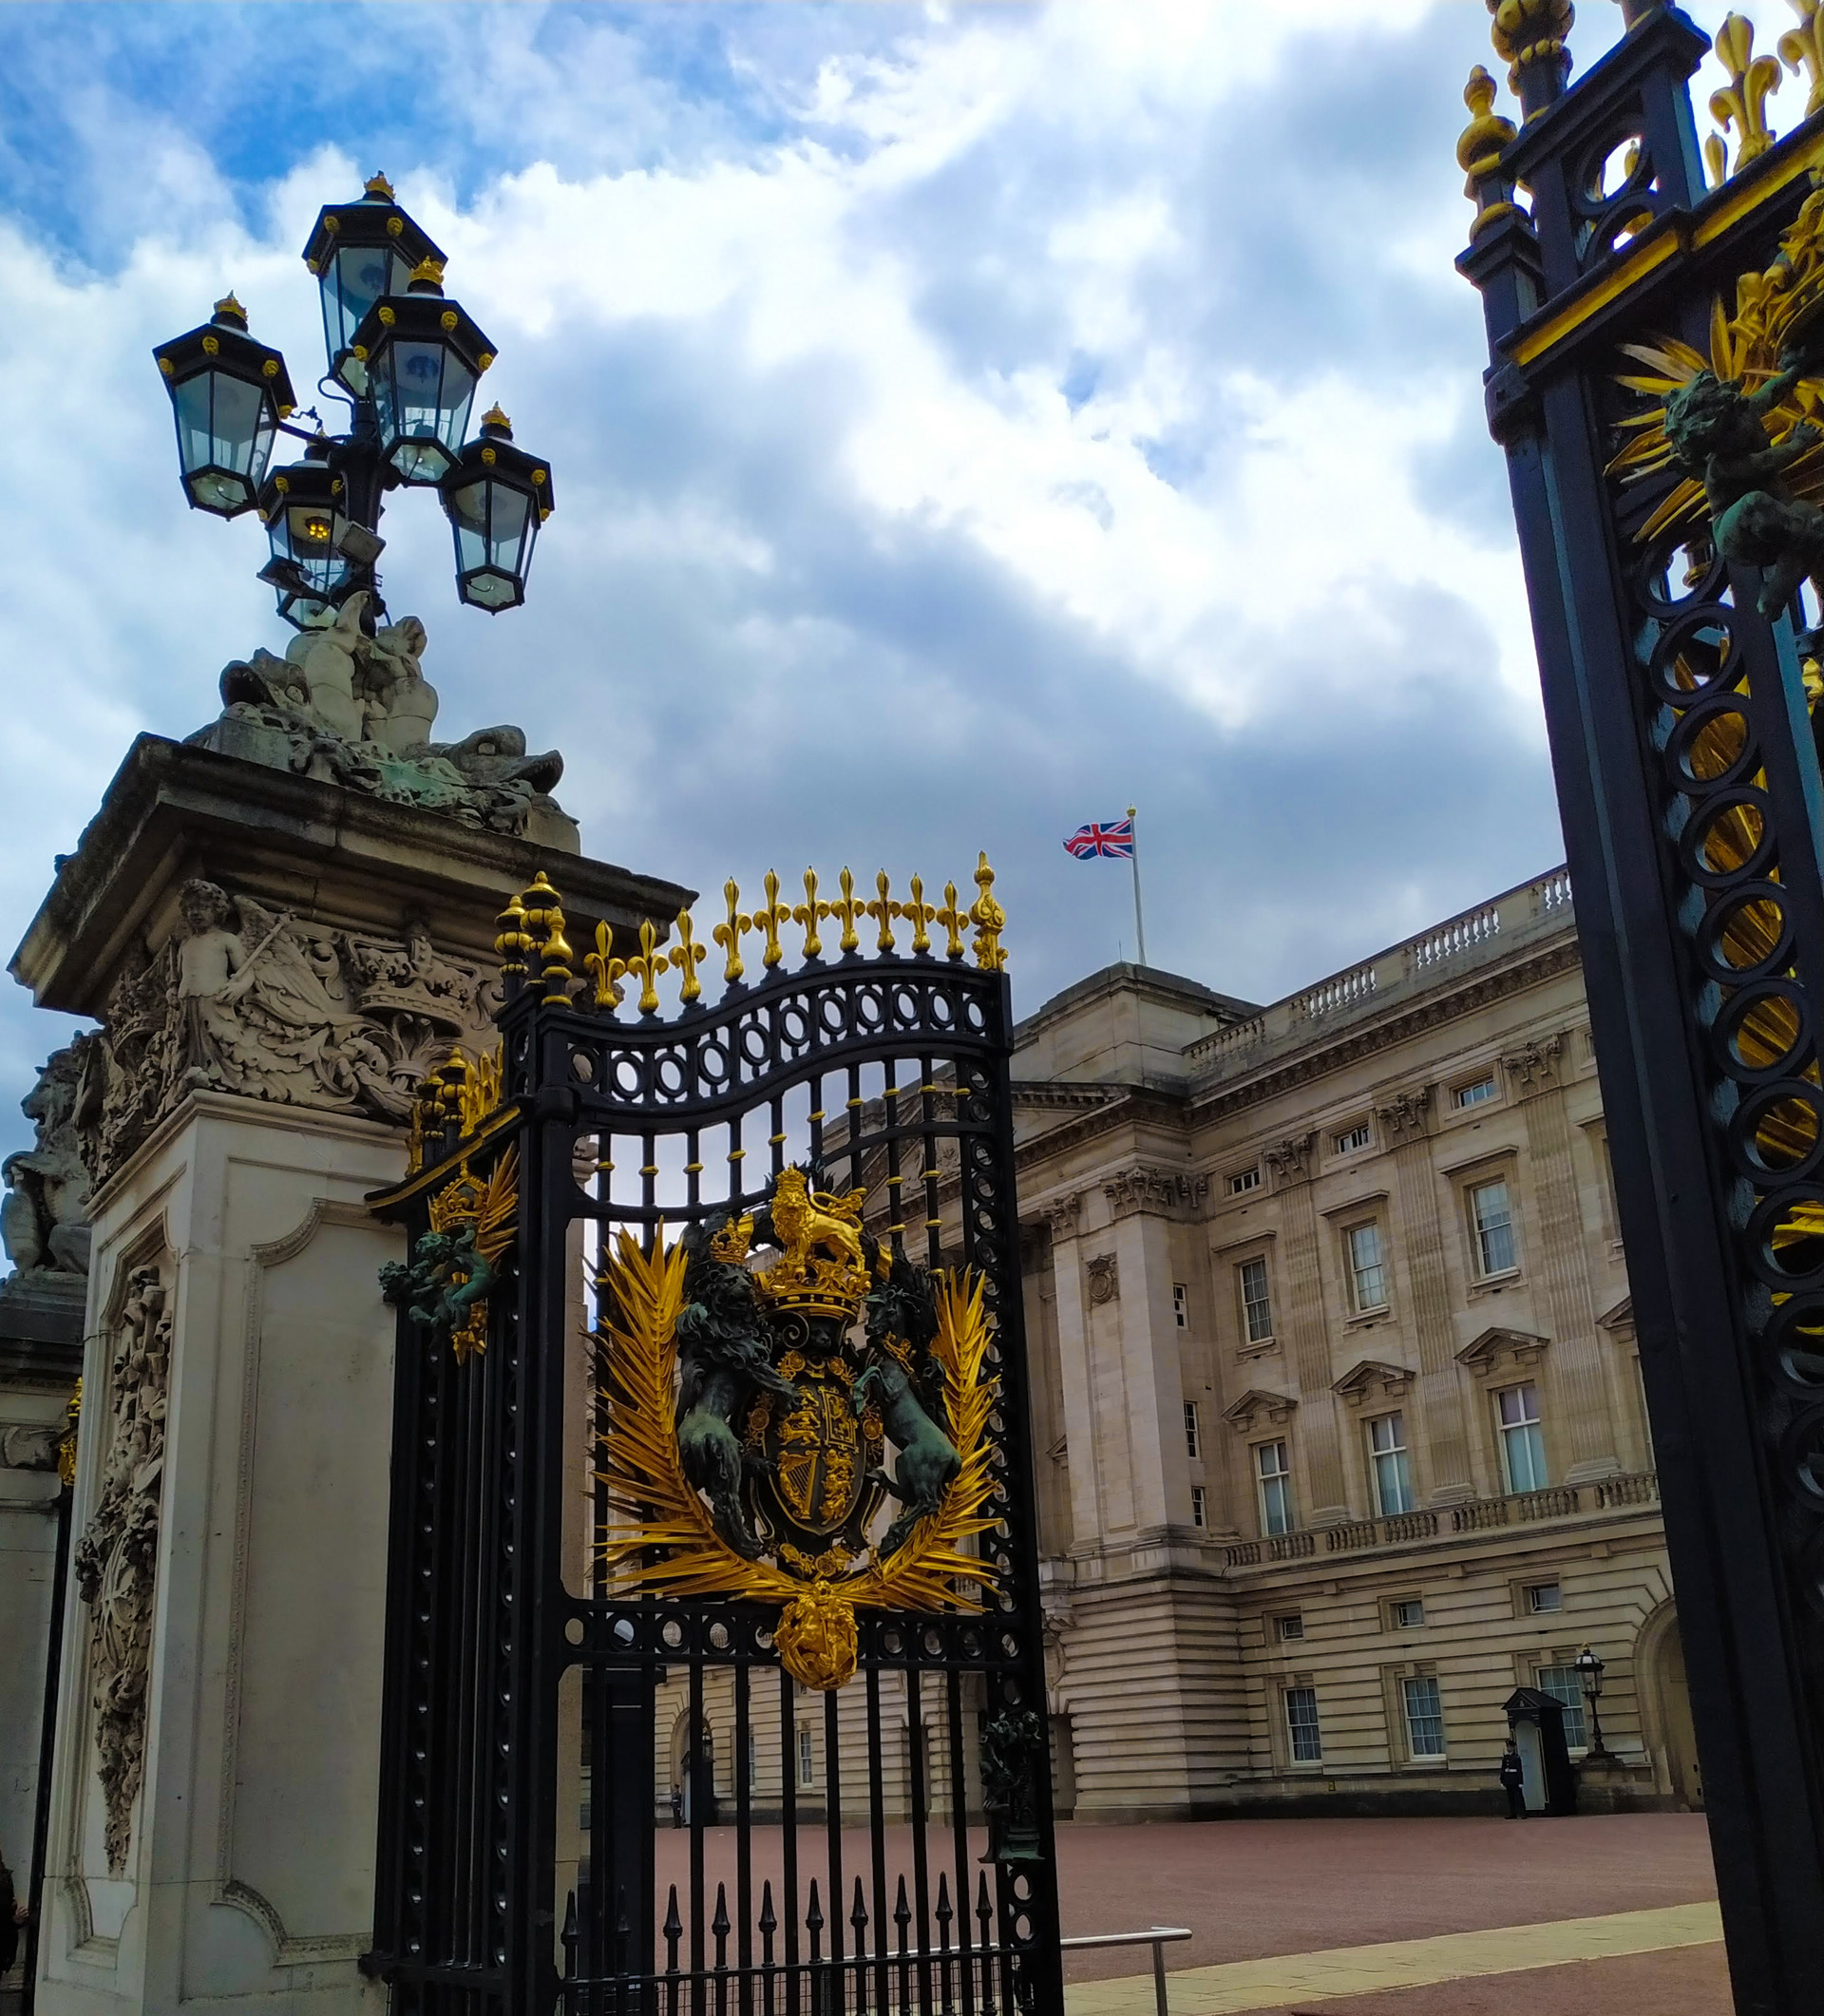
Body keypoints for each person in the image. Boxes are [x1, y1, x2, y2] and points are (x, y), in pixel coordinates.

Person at [1499, 1738, 1528, 1818]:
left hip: (1515, 1780)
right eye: (1507, 1747)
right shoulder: (1506, 1758)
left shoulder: (1516, 1757)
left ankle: (1522, 1813)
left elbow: (1519, 1770)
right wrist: (1502, 1780)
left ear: (1513, 1748)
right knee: (1510, 1798)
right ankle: (1512, 1813)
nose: (1508, 1748)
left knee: (1518, 1798)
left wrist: (1520, 1782)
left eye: (1510, 1747)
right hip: (1508, 1780)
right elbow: (1503, 1769)